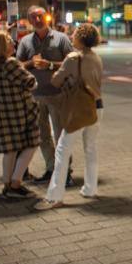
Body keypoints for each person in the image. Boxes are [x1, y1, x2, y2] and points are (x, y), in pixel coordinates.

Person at [34, 24, 104, 210]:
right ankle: (90, 188)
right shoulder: (97, 58)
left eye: (74, 35)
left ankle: (55, 196)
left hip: (78, 108)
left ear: (80, 38)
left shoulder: (73, 58)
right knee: (90, 148)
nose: (72, 37)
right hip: (97, 106)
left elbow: (56, 80)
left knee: (62, 149)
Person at [16, 5, 74, 185]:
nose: (37, 20)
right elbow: (17, 65)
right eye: (33, 17)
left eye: (40, 16)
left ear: (47, 17)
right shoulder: (25, 41)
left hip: (58, 94)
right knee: (42, 136)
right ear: (29, 20)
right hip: (35, 95)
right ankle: (51, 169)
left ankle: (65, 172)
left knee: (61, 135)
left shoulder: (61, 38)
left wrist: (49, 65)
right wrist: (31, 63)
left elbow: (72, 62)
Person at [0, 31, 40, 198]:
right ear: (1, 46)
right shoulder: (10, 63)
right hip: (19, 113)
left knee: (10, 150)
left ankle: (7, 185)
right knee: (32, 144)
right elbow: (31, 83)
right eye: (8, 41)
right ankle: (15, 183)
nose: (13, 43)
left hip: (0, 114)